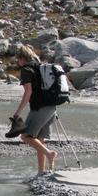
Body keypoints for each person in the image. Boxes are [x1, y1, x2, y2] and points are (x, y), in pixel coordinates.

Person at [11, 45, 58, 176]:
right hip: (51, 107)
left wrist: (18, 112)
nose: (17, 62)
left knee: (25, 136)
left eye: (17, 59)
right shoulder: (40, 66)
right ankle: (41, 172)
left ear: (21, 58)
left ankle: (50, 154)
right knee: (39, 139)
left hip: (39, 108)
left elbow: (28, 91)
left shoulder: (26, 69)